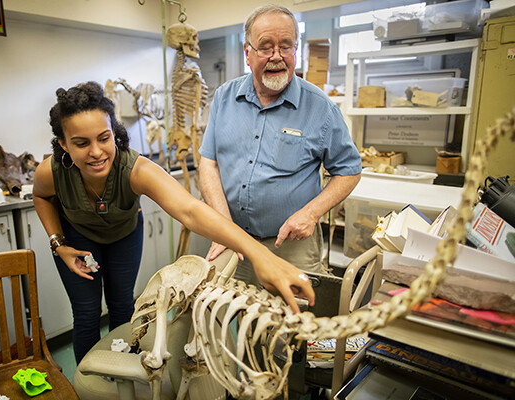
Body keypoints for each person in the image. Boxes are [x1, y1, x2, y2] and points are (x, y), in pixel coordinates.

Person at [32, 81, 314, 363]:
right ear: (64, 145)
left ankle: (121, 374)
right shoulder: (52, 171)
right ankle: (86, 384)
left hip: (123, 235)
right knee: (86, 312)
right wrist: (59, 243)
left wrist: (259, 253)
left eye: (104, 139)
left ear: (113, 135)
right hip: (77, 238)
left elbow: (190, 210)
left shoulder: (135, 169)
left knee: (121, 306)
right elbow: (41, 196)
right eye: (81, 143)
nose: (96, 152)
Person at [199, 4, 362, 286]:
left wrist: (311, 213)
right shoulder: (224, 98)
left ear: (295, 51)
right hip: (232, 241)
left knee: (290, 327)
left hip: (291, 248)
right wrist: (224, 228)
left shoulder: (320, 108)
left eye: (286, 46)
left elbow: (349, 170)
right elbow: (209, 163)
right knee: (232, 322)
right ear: (247, 53)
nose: (277, 56)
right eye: (266, 46)